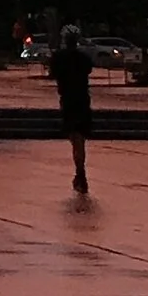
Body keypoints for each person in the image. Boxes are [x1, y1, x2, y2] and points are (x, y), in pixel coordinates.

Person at [50, 22, 94, 195]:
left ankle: (80, 173)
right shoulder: (83, 58)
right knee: (80, 139)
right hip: (82, 100)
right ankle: (80, 171)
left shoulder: (59, 58)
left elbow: (54, 73)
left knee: (74, 137)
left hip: (68, 100)